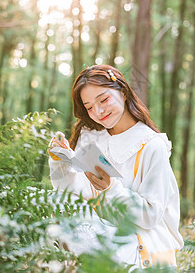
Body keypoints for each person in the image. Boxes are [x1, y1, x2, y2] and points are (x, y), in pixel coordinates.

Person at [48, 65, 183, 269]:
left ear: (123, 91)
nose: (99, 111)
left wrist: (111, 189)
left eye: (103, 99)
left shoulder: (152, 145)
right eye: (89, 107)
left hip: (144, 245)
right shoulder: (93, 139)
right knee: (52, 207)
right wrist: (60, 161)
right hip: (103, 234)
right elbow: (70, 197)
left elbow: (151, 216)